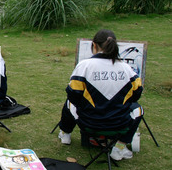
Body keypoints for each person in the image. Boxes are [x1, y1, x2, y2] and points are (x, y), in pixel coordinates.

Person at [57, 29, 144, 161]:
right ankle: (120, 146)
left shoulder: (84, 66)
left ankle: (65, 134)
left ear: (94, 45)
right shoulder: (127, 69)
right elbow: (136, 95)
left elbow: (73, 95)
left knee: (69, 103)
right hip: (119, 124)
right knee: (138, 109)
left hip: (88, 123)